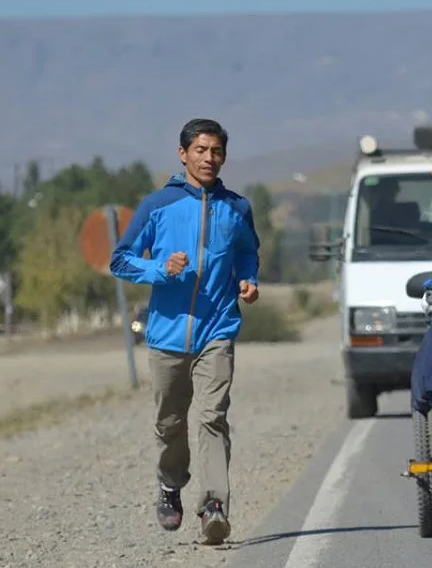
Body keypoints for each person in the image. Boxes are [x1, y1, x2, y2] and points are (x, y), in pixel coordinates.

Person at [110, 118, 261, 545]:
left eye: (216, 151)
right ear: (183, 154)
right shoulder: (158, 205)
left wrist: (248, 280)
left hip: (218, 330)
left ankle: (214, 505)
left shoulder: (237, 207)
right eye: (200, 150)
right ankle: (169, 483)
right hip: (167, 335)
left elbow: (249, 254)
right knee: (169, 423)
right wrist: (161, 269)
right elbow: (120, 259)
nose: (209, 158)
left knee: (213, 416)